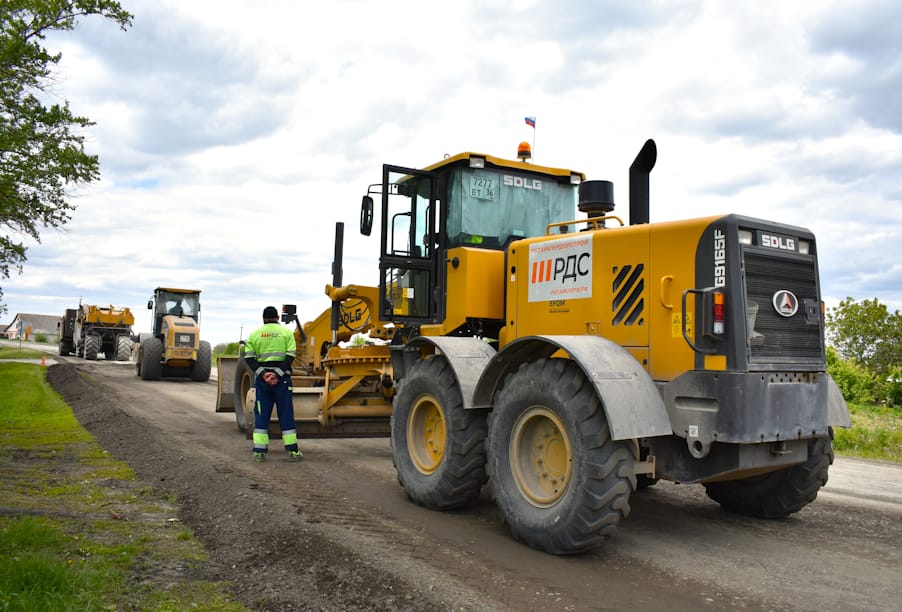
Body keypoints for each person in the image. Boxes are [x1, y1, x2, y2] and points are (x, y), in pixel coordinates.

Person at [243, 306, 302, 462]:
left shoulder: (255, 334)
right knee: (286, 415)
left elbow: (248, 358)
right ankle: (292, 451)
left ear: (263, 319)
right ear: (277, 317)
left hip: (263, 382)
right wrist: (278, 374)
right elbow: (291, 355)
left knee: (262, 415)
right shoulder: (286, 333)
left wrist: (264, 375)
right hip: (282, 381)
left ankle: (259, 452)